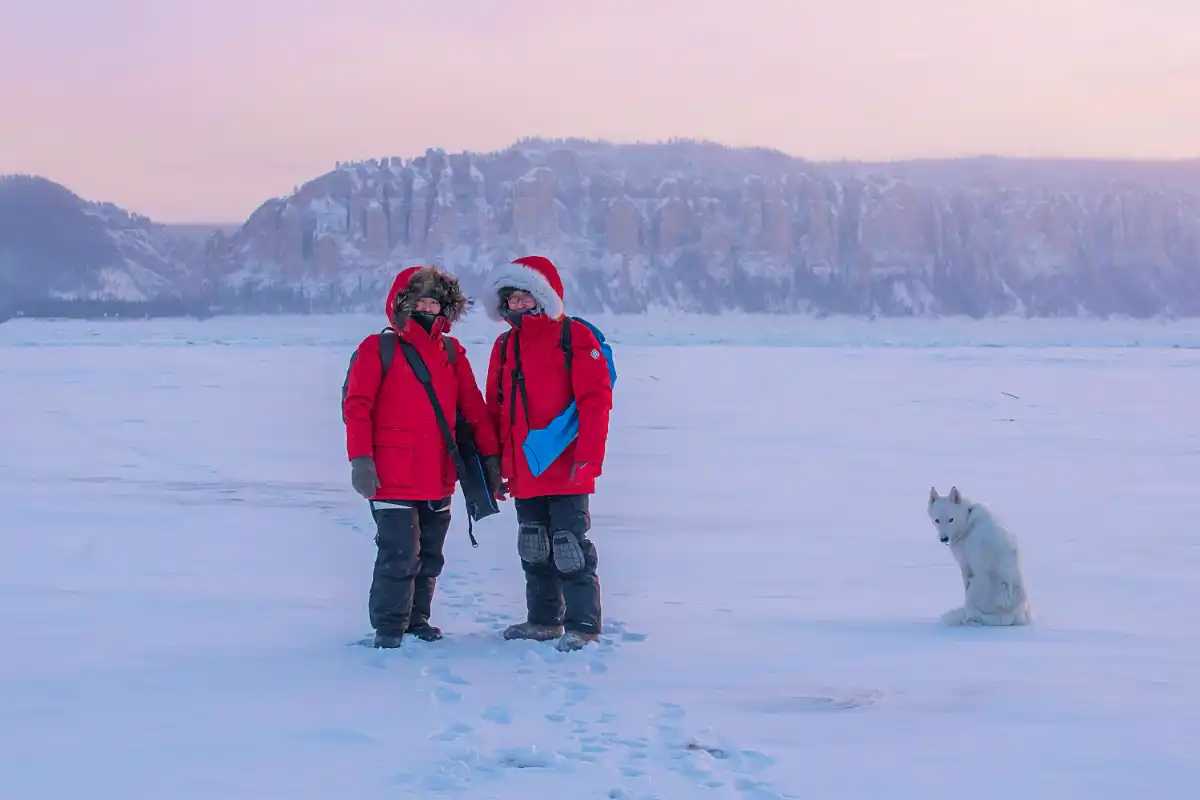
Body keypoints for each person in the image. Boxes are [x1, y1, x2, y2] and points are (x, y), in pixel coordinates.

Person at [342, 266, 501, 648]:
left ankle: (417, 621)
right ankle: (389, 628)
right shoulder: (378, 348)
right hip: (391, 473)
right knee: (399, 553)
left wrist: (491, 458)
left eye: (434, 301)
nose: (428, 307)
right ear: (402, 303)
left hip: (439, 472)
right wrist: (361, 460)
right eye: (420, 300)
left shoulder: (451, 352)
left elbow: (473, 408)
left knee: (429, 555)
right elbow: (357, 407)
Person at [484, 256, 613, 652]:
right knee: (534, 545)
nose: (519, 305)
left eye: (526, 297)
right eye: (512, 299)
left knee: (569, 546)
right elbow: (497, 408)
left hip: (568, 465)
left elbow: (595, 402)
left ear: (543, 296)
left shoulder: (574, 337)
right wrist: (498, 465)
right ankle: (543, 621)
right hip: (525, 468)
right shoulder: (505, 346)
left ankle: (583, 625)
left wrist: (588, 458)